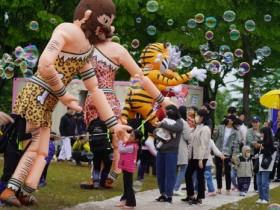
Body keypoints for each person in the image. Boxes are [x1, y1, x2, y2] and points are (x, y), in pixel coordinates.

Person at [0, 0, 132, 207]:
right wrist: (62, 94)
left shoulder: (87, 50)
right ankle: (10, 189)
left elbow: (95, 90)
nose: (107, 28)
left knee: (43, 151)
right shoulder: (67, 30)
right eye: (105, 21)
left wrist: (114, 125)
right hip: (37, 95)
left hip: (48, 100)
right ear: (88, 15)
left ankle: (25, 191)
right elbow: (45, 64)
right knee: (34, 147)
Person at [154, 105, 183, 204]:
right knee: (160, 173)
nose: (166, 114)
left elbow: (176, 129)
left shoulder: (179, 122)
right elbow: (158, 132)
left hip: (171, 152)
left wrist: (161, 124)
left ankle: (169, 196)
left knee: (170, 174)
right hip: (161, 150)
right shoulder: (165, 120)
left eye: (168, 112)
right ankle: (163, 194)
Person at [184, 109, 211, 205]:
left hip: (201, 157)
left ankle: (199, 197)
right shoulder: (198, 127)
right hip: (193, 156)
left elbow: (203, 145)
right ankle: (190, 195)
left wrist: (200, 159)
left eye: (198, 115)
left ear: (202, 117)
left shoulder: (206, 129)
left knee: (200, 177)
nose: (196, 117)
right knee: (188, 175)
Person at [213, 115, 240, 195]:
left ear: (233, 121)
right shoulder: (220, 127)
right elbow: (215, 138)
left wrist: (234, 154)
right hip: (218, 151)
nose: (230, 121)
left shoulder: (235, 131)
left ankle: (228, 189)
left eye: (232, 120)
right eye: (229, 119)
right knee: (218, 170)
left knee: (227, 171)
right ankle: (219, 188)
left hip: (228, 153)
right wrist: (214, 134)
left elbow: (236, 145)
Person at [115, 129, 142, 209]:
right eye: (130, 135)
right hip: (125, 167)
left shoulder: (132, 146)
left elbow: (120, 150)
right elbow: (124, 144)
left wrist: (120, 140)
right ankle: (123, 201)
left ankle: (131, 203)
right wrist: (122, 137)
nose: (130, 137)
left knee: (129, 186)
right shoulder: (130, 144)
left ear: (136, 139)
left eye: (132, 136)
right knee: (126, 185)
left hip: (128, 168)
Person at [173, 106, 191, 196]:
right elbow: (188, 137)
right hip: (182, 148)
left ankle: (172, 188)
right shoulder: (184, 123)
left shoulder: (174, 121)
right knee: (183, 168)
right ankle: (176, 188)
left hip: (173, 147)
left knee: (175, 169)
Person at [256, 127, 277, 204]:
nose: (261, 134)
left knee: (264, 183)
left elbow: (269, 154)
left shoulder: (270, 143)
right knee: (259, 182)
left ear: (266, 133)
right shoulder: (263, 142)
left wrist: (262, 147)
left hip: (266, 165)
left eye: (262, 133)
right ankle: (261, 198)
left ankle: (266, 199)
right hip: (260, 164)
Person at [246, 116, 262, 192]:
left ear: (259, 123)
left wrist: (260, 144)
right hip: (251, 152)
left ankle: (258, 186)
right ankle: (254, 187)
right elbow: (249, 139)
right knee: (252, 169)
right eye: (253, 122)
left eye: (256, 122)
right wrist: (258, 143)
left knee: (259, 169)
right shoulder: (249, 131)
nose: (255, 124)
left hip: (261, 152)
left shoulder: (262, 130)